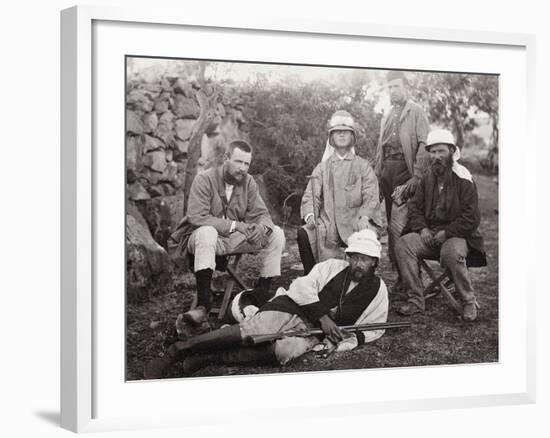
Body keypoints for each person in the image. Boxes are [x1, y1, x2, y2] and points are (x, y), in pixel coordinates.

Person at [145, 229, 389, 379]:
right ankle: (176, 351)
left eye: (364, 259)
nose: (358, 264)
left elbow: (374, 326)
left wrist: (343, 337)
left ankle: (206, 359)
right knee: (253, 331)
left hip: (314, 333)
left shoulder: (378, 291)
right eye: (355, 257)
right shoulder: (333, 267)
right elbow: (302, 287)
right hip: (291, 307)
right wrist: (324, 317)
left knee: (283, 351)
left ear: (374, 263)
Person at [170, 139, 285, 324]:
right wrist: (236, 225)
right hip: (201, 238)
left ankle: (262, 294)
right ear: (226, 158)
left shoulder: (248, 182)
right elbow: (197, 217)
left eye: (246, 163)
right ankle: (203, 306)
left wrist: (261, 227)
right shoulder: (204, 179)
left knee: (276, 233)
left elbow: (262, 214)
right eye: (238, 162)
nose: (243, 168)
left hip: (231, 240)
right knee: (207, 232)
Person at [394, 129, 486, 321]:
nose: (436, 157)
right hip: (430, 235)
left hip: (458, 236)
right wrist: (423, 229)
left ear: (452, 151)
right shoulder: (427, 177)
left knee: (451, 252)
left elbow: (471, 218)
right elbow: (415, 208)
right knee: (404, 244)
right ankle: (416, 300)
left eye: (441, 151)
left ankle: (467, 300)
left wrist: (447, 233)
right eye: (433, 152)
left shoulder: (464, 178)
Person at [298, 110, 381, 275]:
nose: (342, 135)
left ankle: (363, 282)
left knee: (368, 236)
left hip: (356, 220)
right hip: (328, 222)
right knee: (305, 233)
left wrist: (365, 216)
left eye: (346, 132)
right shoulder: (322, 168)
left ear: (352, 137)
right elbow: (310, 195)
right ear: (331, 138)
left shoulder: (363, 166)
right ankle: (313, 279)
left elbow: (371, 195)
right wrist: (310, 216)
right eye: (337, 132)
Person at [374, 71, 430, 288]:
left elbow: (424, 145)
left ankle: (412, 279)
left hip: (405, 174)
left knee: (403, 227)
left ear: (406, 87)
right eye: (389, 87)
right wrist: (378, 175)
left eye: (396, 86)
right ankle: (401, 276)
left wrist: (416, 175)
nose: (392, 91)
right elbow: (381, 149)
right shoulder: (387, 116)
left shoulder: (416, 111)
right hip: (387, 172)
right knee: (390, 226)